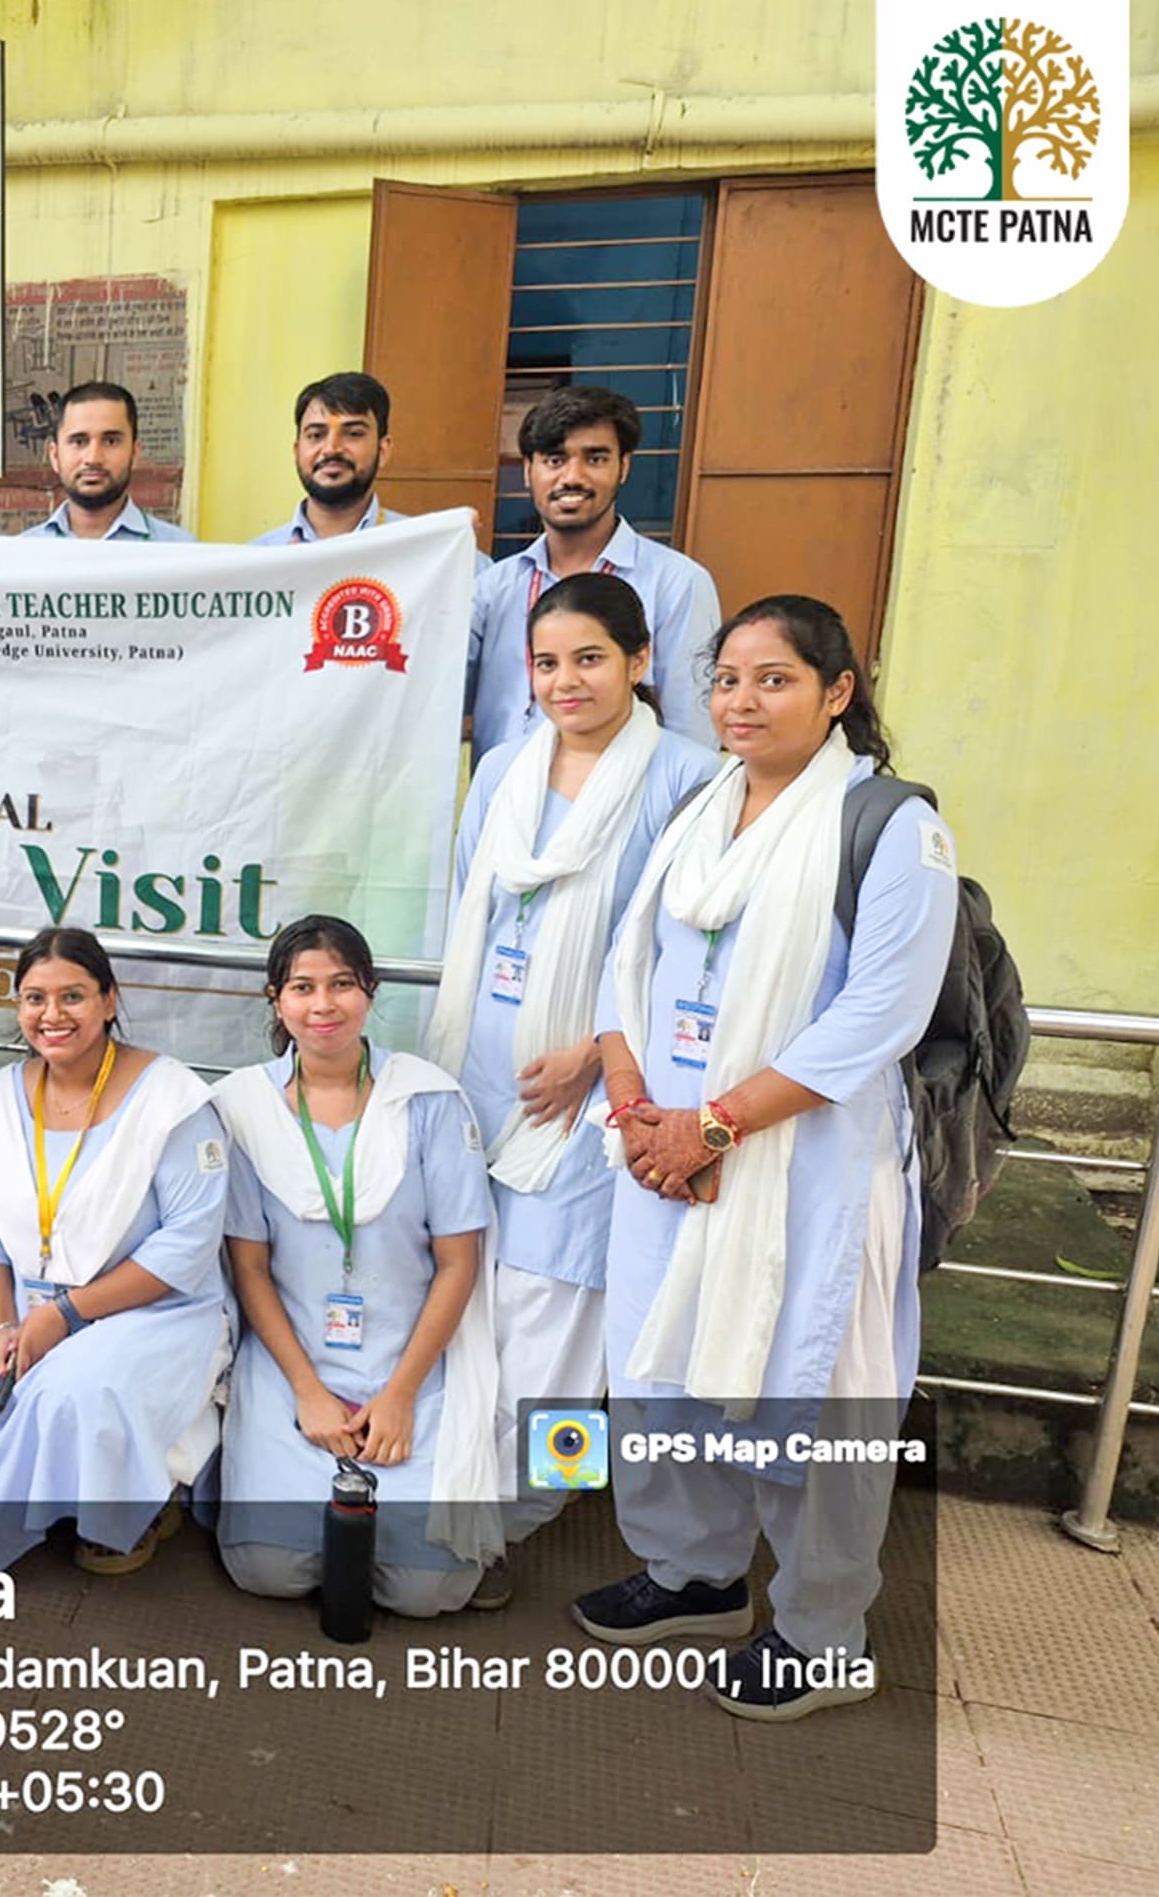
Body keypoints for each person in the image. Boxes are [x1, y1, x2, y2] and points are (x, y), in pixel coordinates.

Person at [576, 595, 958, 1722]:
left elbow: (877, 1015)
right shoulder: (699, 808)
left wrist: (715, 1125)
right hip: (667, 1154)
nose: (741, 701)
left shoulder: (891, 827)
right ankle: (693, 1572)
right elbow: (627, 968)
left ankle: (822, 1630)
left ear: (836, 693)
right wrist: (638, 1109)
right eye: (727, 679)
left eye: (774, 679)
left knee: (809, 1384)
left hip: (806, 1165)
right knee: (662, 1361)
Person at [426, 574, 718, 1568]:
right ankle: (457, 1494)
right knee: (473, 1305)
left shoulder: (688, 780)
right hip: (482, 1073)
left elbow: (687, 955)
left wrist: (596, 1053)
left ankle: (527, 1518)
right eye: (546, 663)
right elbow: (469, 906)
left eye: (589, 658)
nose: (566, 681)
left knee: (564, 1327)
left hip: (598, 1101)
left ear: (639, 661)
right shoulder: (502, 768)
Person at [0, 927, 227, 1574]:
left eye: (73, 996)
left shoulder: (169, 1098)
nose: (51, 1015)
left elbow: (188, 1243)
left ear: (110, 1001)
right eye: (35, 998)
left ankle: (133, 1507)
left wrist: (65, 1315)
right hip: (25, 1312)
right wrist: (1, 1326)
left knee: (75, 1391)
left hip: (148, 1312)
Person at [216, 916, 501, 1616]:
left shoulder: (428, 1101)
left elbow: (458, 1263)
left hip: (407, 1364)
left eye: (342, 984)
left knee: (427, 1590)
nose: (324, 1005)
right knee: (268, 1569)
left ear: (370, 991)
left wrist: (400, 1394)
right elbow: (250, 1269)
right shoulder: (245, 1108)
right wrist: (307, 1391)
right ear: (276, 1000)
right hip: (294, 1365)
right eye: (303, 988)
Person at [469, 386, 720, 757]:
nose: (573, 477)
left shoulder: (676, 584)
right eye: (554, 460)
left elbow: (692, 735)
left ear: (624, 467)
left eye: (595, 459)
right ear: (528, 471)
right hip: (504, 791)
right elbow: (433, 694)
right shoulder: (491, 587)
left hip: (627, 792)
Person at [18, 383, 194, 542]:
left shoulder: (179, 551)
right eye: (79, 442)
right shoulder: (22, 555)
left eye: (111, 441)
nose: (93, 459)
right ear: (55, 456)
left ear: (135, 453)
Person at [249, 373, 401, 545]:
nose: (331, 449)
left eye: (353, 434)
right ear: (297, 451)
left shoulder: (415, 549)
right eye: (316, 435)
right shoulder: (261, 555)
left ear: (383, 450)